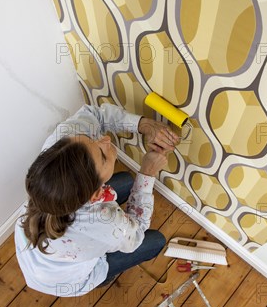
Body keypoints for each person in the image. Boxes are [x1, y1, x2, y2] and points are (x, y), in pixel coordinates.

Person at [15, 103, 180, 297]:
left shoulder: (61, 147)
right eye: (102, 155)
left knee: (127, 181)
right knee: (155, 241)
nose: (106, 140)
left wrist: (144, 125)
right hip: (66, 280)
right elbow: (136, 234)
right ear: (94, 196)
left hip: (38, 257)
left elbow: (94, 115)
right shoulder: (105, 225)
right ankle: (105, 277)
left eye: (90, 139)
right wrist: (148, 172)